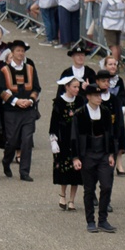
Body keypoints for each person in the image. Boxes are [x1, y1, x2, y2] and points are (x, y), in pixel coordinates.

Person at [71, 82, 118, 232]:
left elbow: (110, 134)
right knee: (89, 189)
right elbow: (74, 137)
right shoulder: (79, 114)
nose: (99, 98)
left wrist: (111, 154)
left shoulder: (105, 112)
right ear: (88, 97)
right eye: (96, 96)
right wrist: (75, 157)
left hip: (103, 154)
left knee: (106, 186)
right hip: (88, 155)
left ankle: (103, 219)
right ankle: (90, 220)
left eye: (100, 95)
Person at [0, 39, 40, 182]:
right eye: (18, 51)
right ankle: (6, 161)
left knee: (27, 141)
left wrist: (30, 100)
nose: (21, 53)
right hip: (11, 111)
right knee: (12, 141)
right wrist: (16, 101)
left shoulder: (30, 69)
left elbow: (36, 88)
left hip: (28, 111)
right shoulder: (4, 70)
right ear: (12, 52)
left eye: (22, 51)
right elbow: (1, 90)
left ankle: (24, 172)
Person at [50, 75, 82, 211]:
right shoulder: (59, 102)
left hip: (77, 139)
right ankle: (62, 194)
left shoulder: (80, 101)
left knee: (76, 170)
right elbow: (54, 122)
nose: (77, 89)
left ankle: (72, 200)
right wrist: (53, 139)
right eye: (74, 87)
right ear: (67, 87)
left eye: (78, 87)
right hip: (63, 139)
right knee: (64, 169)